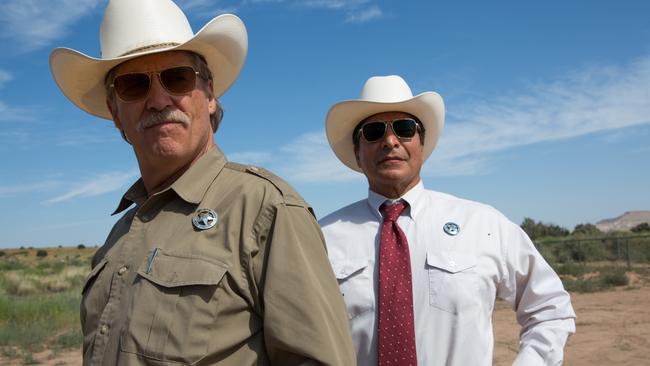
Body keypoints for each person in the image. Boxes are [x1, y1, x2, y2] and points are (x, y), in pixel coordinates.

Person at [49, 0, 355, 365]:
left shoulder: (265, 209)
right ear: (115, 112)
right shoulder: (120, 236)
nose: (158, 99)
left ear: (209, 95)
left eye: (177, 77)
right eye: (133, 85)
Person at [319, 75, 576, 366]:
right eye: (374, 131)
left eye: (404, 129)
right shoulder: (322, 238)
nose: (390, 141)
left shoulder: (483, 224)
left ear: (421, 143)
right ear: (357, 151)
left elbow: (550, 308)